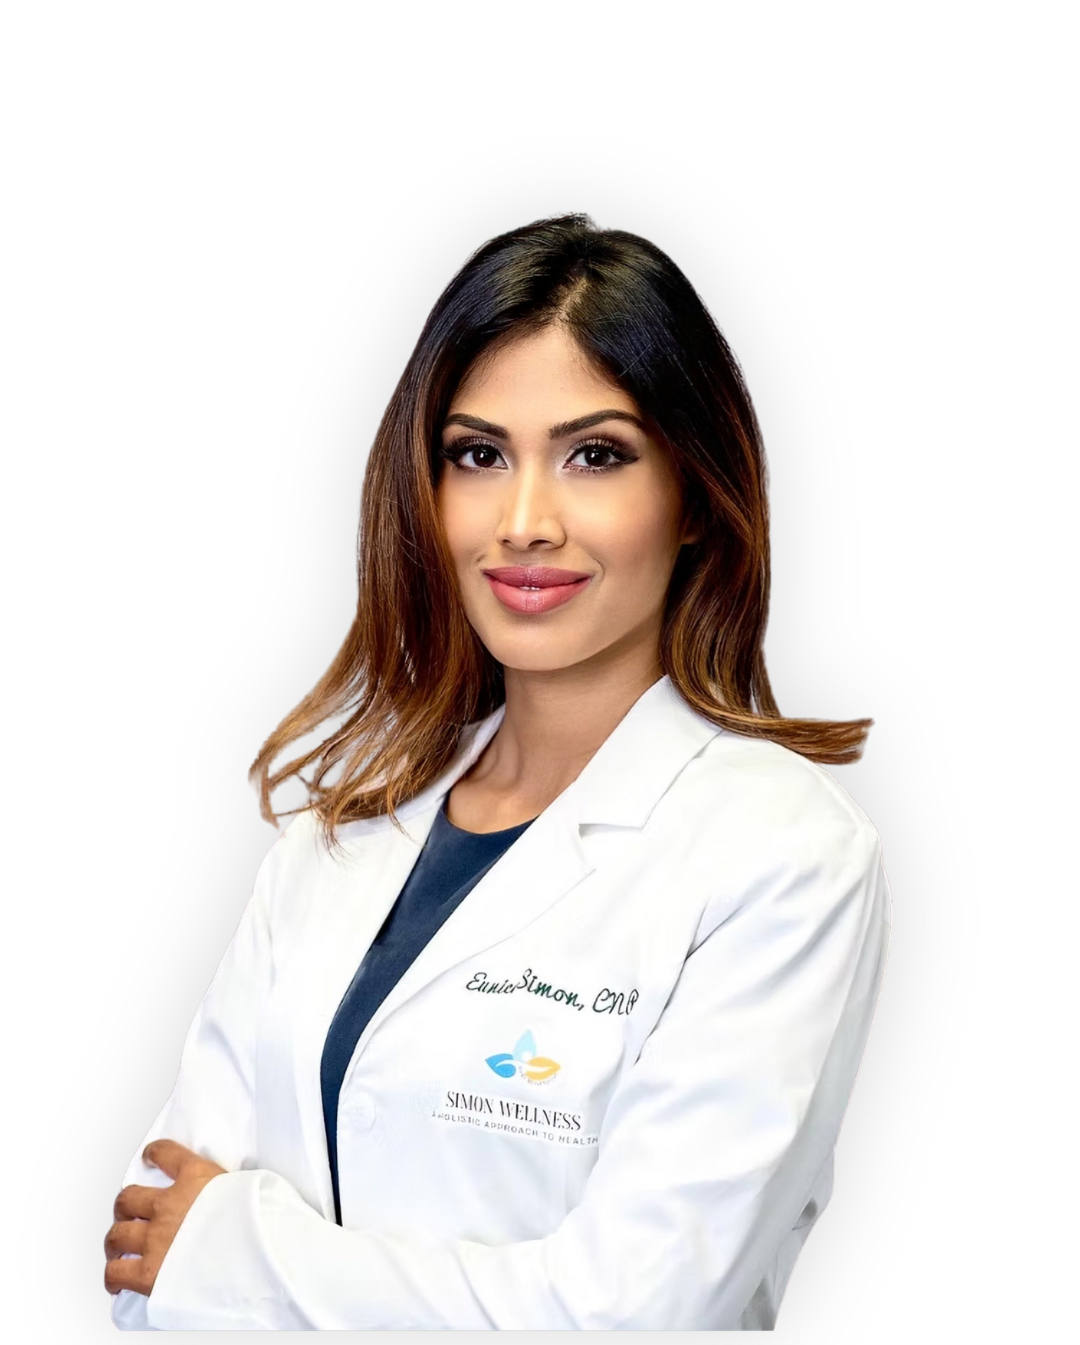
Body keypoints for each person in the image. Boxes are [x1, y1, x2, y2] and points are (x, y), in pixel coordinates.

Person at [104, 213, 891, 1331]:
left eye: (595, 456)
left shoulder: (783, 857)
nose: (524, 522)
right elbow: (148, 1260)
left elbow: (631, 1314)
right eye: (479, 455)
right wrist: (205, 1267)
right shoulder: (339, 839)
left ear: (695, 499)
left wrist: (236, 1256)